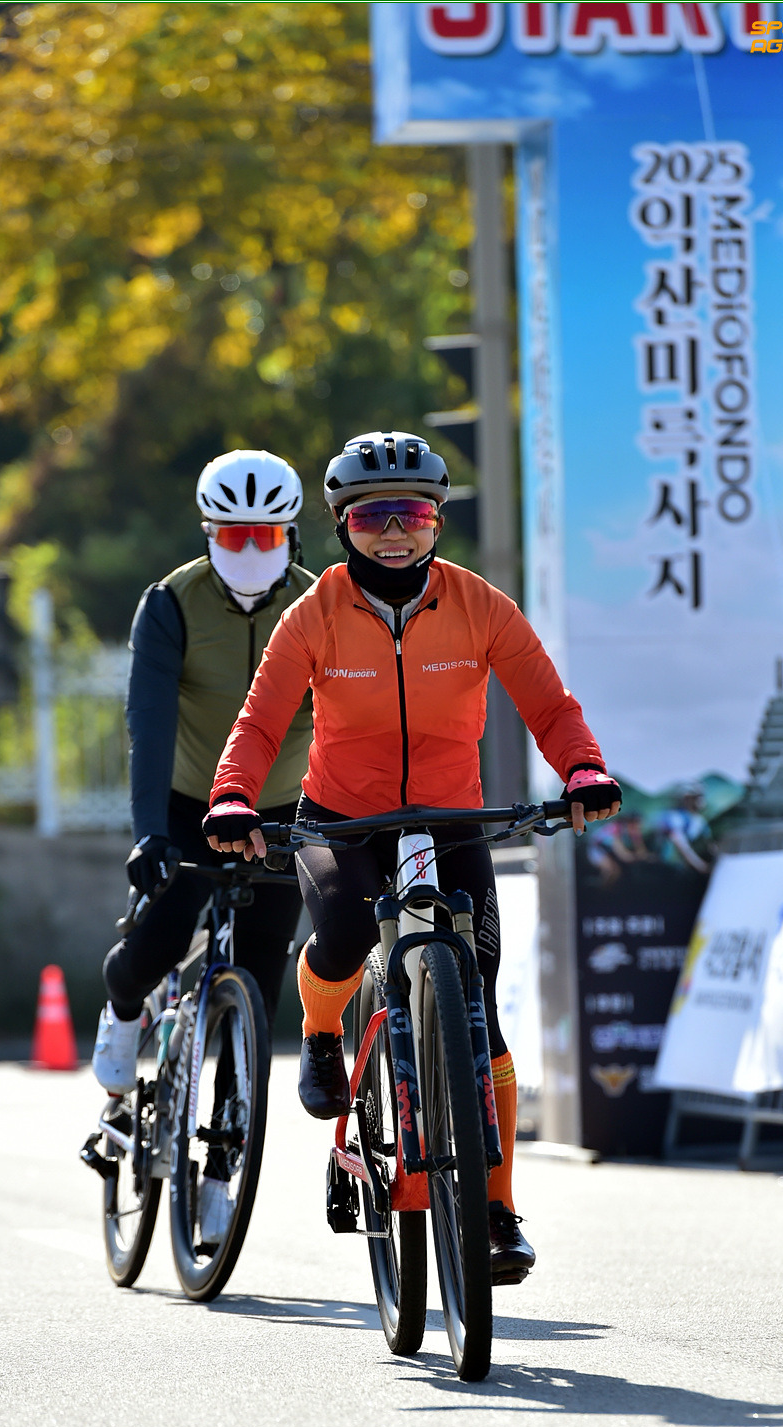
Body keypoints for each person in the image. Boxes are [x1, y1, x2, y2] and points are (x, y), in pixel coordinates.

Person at [203, 430, 621, 1283]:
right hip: (343, 818)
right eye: (372, 517)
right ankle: (323, 1032)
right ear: (342, 526)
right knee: (348, 936)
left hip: (450, 818)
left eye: (413, 514)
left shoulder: (480, 605)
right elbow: (261, 719)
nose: (395, 532)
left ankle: (496, 1211)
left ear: (437, 521)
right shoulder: (314, 612)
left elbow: (549, 703)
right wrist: (234, 794)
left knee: (480, 1005)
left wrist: (582, 769)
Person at [91, 449, 316, 1093]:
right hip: (190, 803)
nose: (249, 550)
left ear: (290, 536)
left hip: (279, 810)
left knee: (262, 973)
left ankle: (232, 1128)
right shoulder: (170, 603)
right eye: (234, 536)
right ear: (209, 532)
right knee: (159, 943)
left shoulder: (319, 603)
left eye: (265, 537)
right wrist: (149, 833)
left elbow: (347, 719)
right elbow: (149, 723)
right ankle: (123, 1011)